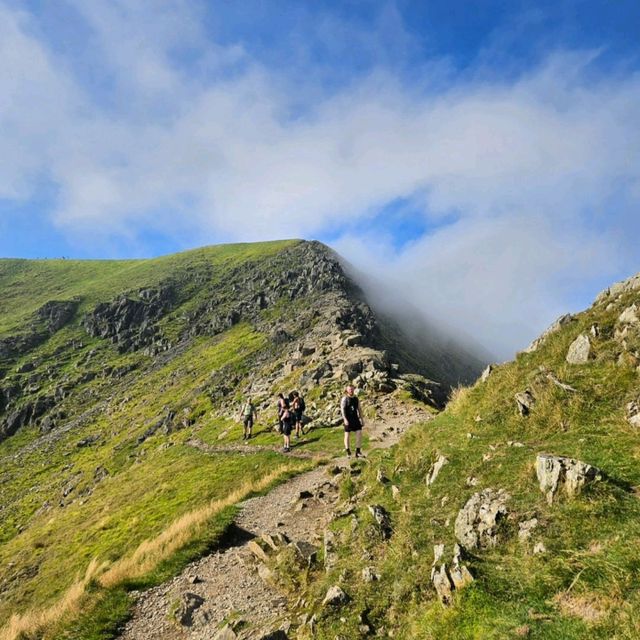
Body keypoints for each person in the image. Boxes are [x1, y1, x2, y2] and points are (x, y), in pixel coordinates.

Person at [340, 384, 364, 457]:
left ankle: (358, 451)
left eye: (352, 389)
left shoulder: (356, 399)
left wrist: (362, 419)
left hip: (355, 418)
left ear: (354, 389)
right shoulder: (345, 399)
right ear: (347, 390)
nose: (351, 390)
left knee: (359, 433)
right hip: (348, 418)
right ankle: (348, 451)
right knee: (347, 434)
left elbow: (359, 409)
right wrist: (345, 419)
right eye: (349, 389)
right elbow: (342, 409)